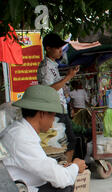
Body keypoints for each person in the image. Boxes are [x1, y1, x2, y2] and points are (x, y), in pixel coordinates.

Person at [0, 85, 87, 192]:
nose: (53, 121)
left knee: (58, 178)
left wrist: (60, 169)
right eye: (52, 116)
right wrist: (75, 166)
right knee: (65, 187)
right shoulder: (21, 137)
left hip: (18, 190)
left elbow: (42, 167)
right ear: (42, 114)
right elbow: (61, 179)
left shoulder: (18, 131)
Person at [37, 32, 78, 163]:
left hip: (60, 108)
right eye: (57, 47)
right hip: (53, 110)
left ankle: (65, 169)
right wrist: (68, 77)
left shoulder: (53, 65)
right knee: (64, 141)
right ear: (48, 48)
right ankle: (65, 170)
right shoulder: (45, 67)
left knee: (67, 141)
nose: (60, 50)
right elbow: (49, 89)